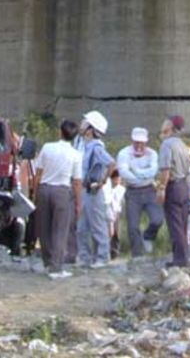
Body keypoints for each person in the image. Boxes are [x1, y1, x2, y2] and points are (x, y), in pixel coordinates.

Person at [32, 119, 83, 279]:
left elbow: (38, 173)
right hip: (62, 191)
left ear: (60, 132)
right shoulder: (76, 155)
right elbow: (76, 181)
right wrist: (78, 202)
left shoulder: (47, 147)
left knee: (44, 227)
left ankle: (47, 262)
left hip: (45, 188)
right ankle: (56, 266)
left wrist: (35, 192)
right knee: (60, 230)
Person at [76, 110, 117, 267]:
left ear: (91, 129)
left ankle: (102, 257)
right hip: (84, 191)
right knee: (81, 227)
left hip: (93, 191)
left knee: (98, 226)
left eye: (85, 123)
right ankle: (85, 257)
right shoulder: (84, 145)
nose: (81, 124)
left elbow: (111, 163)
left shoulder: (96, 147)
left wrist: (102, 181)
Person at [116, 127, 164, 256]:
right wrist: (141, 177)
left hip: (150, 190)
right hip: (132, 192)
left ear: (146, 142)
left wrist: (136, 172)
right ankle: (137, 255)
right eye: (136, 142)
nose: (139, 145)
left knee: (157, 218)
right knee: (132, 226)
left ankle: (148, 236)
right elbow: (124, 173)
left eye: (142, 143)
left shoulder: (152, 153)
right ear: (132, 141)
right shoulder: (124, 154)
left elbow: (153, 171)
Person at [156, 115, 190, 267]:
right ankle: (184, 256)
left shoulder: (167, 145)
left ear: (170, 127)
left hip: (173, 186)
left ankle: (180, 259)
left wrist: (161, 189)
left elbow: (166, 170)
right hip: (184, 185)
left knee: (175, 224)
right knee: (183, 224)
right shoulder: (183, 145)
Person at [103, 171, 125, 256]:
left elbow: (121, 202)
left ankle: (115, 250)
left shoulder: (122, 189)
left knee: (116, 232)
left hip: (117, 211)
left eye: (119, 179)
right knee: (109, 231)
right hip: (108, 210)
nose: (117, 181)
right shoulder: (107, 188)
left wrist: (118, 213)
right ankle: (107, 250)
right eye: (116, 179)